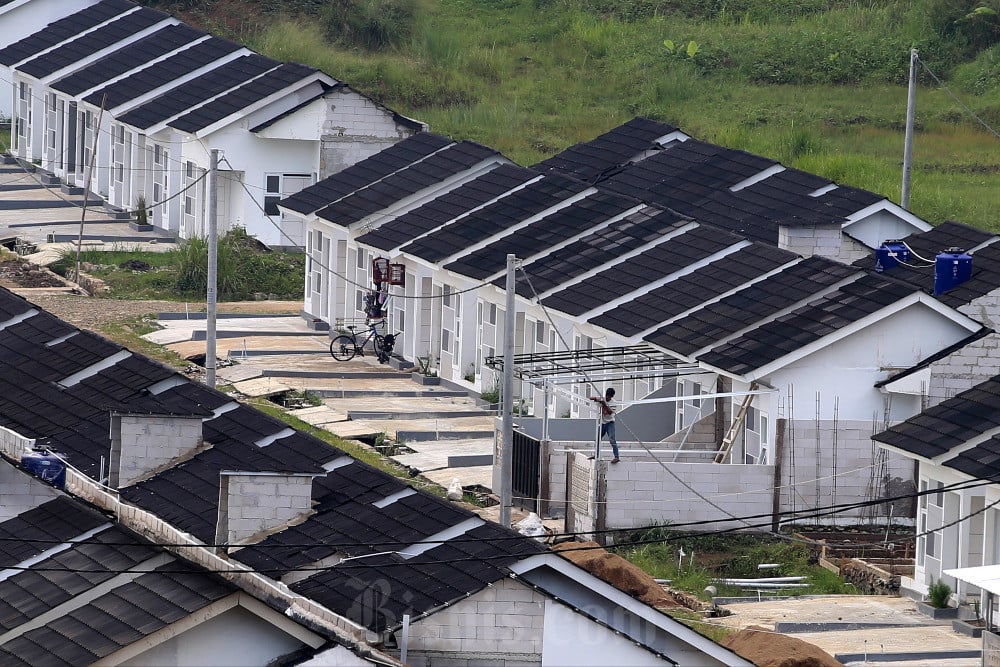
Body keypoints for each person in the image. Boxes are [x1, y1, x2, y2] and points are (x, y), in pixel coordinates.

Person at [590, 387, 619, 463]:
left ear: (612, 396)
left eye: (609, 396)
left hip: (610, 423)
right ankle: (596, 454)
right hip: (602, 423)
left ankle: (616, 457)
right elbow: (591, 398)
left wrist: (603, 403)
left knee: (612, 439)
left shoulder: (613, 403)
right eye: (607, 395)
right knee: (597, 439)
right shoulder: (603, 398)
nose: (607, 397)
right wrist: (597, 398)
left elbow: (609, 412)